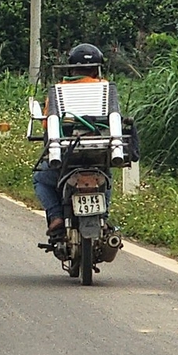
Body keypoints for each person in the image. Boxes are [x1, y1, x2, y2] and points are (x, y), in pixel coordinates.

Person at [34, 42, 118, 248]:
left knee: (41, 179)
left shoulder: (58, 91)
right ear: (96, 68)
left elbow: (47, 123)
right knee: (105, 178)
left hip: (65, 156)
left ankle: (55, 216)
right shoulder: (105, 87)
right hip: (98, 154)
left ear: (72, 67)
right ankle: (103, 218)